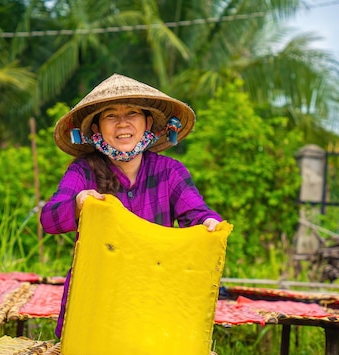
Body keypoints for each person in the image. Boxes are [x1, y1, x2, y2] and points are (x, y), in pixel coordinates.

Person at [40, 73, 223, 338]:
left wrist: (209, 223)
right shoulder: (82, 171)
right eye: (111, 116)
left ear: (148, 122)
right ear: (96, 129)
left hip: (153, 297)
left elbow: (197, 214)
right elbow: (49, 219)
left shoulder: (170, 171)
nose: (122, 124)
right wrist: (79, 203)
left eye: (132, 114)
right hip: (94, 300)